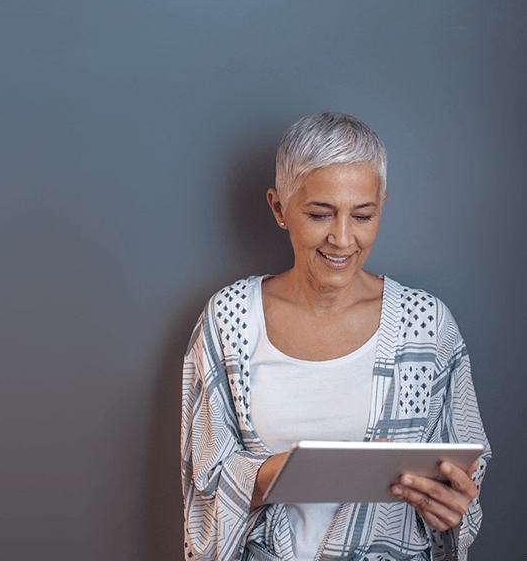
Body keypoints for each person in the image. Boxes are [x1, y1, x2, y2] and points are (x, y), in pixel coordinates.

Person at [180, 112, 490, 560]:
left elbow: (465, 471)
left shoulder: (427, 326)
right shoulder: (228, 320)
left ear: (382, 204)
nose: (343, 239)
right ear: (279, 208)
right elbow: (204, 485)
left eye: (363, 215)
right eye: (319, 213)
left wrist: (453, 506)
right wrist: (282, 473)